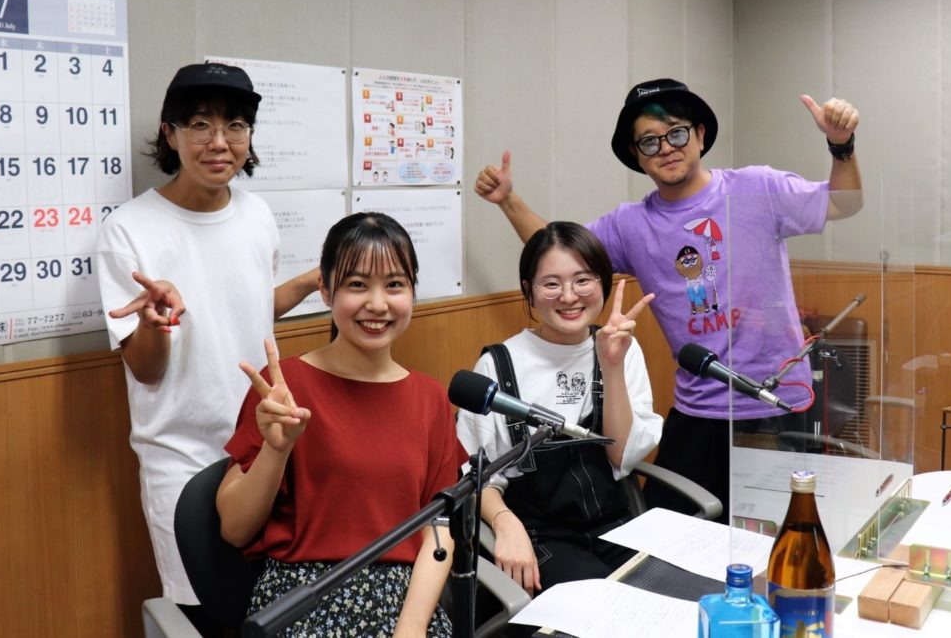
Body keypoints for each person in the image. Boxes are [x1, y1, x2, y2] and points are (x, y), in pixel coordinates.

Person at [474, 78, 862, 522]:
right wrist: (508, 201)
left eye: (676, 133)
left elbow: (843, 204)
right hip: (698, 411)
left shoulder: (757, 187)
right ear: (637, 155)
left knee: (781, 533)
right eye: (649, 141)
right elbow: (558, 253)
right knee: (669, 536)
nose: (666, 148)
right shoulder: (631, 224)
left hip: (780, 405)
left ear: (700, 135)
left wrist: (841, 146)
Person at [96, 63, 318, 629]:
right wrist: (157, 323)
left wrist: (311, 282)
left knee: (270, 610)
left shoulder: (257, 214)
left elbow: (246, 307)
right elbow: (146, 370)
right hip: (179, 460)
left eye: (235, 126)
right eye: (199, 125)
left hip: (262, 446)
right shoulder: (129, 229)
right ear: (169, 134)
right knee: (204, 615)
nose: (219, 142)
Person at [217, 212, 465, 637]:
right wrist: (276, 450)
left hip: (406, 600)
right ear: (325, 290)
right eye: (357, 285)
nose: (378, 304)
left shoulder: (429, 398)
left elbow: (438, 530)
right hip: (304, 597)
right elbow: (235, 529)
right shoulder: (284, 389)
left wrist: (411, 627)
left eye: (395, 284)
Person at [456, 221, 663, 635]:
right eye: (551, 284)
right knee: (609, 620)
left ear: (602, 283)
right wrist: (505, 523)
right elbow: (476, 477)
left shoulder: (620, 346)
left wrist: (612, 365)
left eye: (583, 280)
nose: (569, 296)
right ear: (529, 290)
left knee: (672, 604)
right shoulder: (498, 366)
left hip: (615, 526)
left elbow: (620, 455)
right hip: (540, 536)